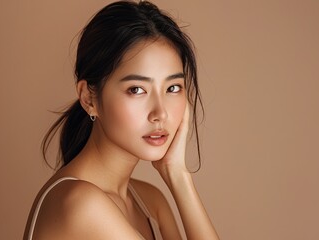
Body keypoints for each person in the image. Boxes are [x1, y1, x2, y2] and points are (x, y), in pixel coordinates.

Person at [24, 1, 219, 239]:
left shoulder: (149, 201)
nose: (160, 113)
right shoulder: (80, 203)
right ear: (88, 98)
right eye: (137, 89)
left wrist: (177, 175)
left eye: (173, 87)